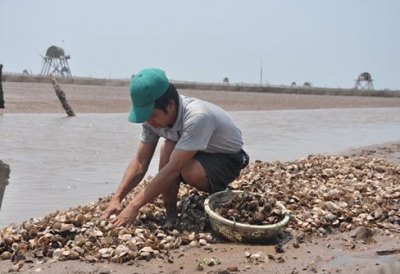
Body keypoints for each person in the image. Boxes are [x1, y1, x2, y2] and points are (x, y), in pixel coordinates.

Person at [101, 68, 249, 228]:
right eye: (145, 116)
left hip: (227, 158)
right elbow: (140, 161)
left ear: (170, 105)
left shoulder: (197, 116)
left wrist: (133, 207)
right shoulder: (151, 121)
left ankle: (219, 194)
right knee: (168, 147)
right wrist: (117, 198)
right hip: (197, 150)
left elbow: (173, 169)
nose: (149, 122)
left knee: (187, 170)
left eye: (151, 116)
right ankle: (171, 213)